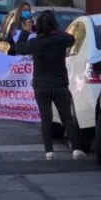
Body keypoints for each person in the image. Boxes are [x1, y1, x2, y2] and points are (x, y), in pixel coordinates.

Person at [14, 10, 88, 161]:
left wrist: (25, 31)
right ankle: (76, 149)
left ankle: (49, 151)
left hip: (41, 85)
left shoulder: (35, 43)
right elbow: (71, 39)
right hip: (59, 84)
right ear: (53, 25)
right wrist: (55, 29)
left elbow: (19, 48)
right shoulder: (60, 39)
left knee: (45, 118)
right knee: (67, 117)